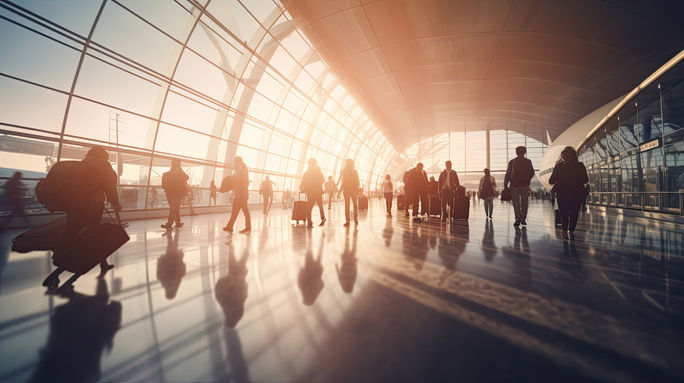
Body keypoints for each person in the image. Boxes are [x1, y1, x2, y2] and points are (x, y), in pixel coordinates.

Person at [42, 147, 121, 290]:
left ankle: (63, 256)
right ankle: (62, 268)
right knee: (94, 235)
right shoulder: (104, 167)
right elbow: (110, 186)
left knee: (71, 231)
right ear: (104, 157)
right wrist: (115, 202)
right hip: (93, 206)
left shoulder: (78, 166)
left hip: (75, 205)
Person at [549, 146, 589, 237]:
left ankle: (564, 230)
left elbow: (551, 181)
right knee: (574, 213)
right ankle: (571, 230)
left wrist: (558, 174)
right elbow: (585, 180)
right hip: (576, 193)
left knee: (564, 213)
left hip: (562, 193)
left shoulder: (559, 166)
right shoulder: (580, 165)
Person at [503, 146, 535, 227]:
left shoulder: (512, 162)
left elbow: (507, 174)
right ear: (525, 152)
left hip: (514, 184)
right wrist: (527, 180)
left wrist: (505, 185)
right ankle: (523, 219)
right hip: (524, 184)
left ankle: (517, 219)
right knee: (524, 202)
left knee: (516, 203)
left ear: (516, 152)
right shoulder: (528, 161)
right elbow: (532, 172)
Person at [223, 156, 251, 234]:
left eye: (234, 162)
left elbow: (242, 182)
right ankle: (230, 227)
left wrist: (238, 192)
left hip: (241, 195)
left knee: (244, 211)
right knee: (236, 211)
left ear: (238, 162)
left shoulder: (241, 170)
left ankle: (247, 227)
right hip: (240, 194)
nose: (233, 164)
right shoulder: (240, 170)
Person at [161, 159, 189, 230]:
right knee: (175, 209)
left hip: (177, 195)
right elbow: (163, 185)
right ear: (172, 164)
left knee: (173, 209)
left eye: (177, 164)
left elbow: (187, 177)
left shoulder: (180, 174)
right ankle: (178, 223)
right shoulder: (166, 174)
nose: (175, 165)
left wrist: (180, 169)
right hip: (169, 194)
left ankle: (169, 224)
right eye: (174, 164)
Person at [301, 159, 326, 227]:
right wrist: (319, 183)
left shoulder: (307, 172)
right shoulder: (318, 171)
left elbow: (303, 182)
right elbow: (323, 179)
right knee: (320, 206)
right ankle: (323, 218)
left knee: (309, 208)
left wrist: (302, 187)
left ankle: (309, 223)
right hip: (318, 191)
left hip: (310, 192)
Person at [338, 159, 359, 227]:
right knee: (354, 205)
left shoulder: (352, 171)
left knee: (348, 205)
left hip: (349, 190)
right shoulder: (349, 171)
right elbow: (357, 181)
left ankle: (348, 220)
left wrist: (339, 191)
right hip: (350, 191)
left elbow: (343, 182)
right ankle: (354, 219)